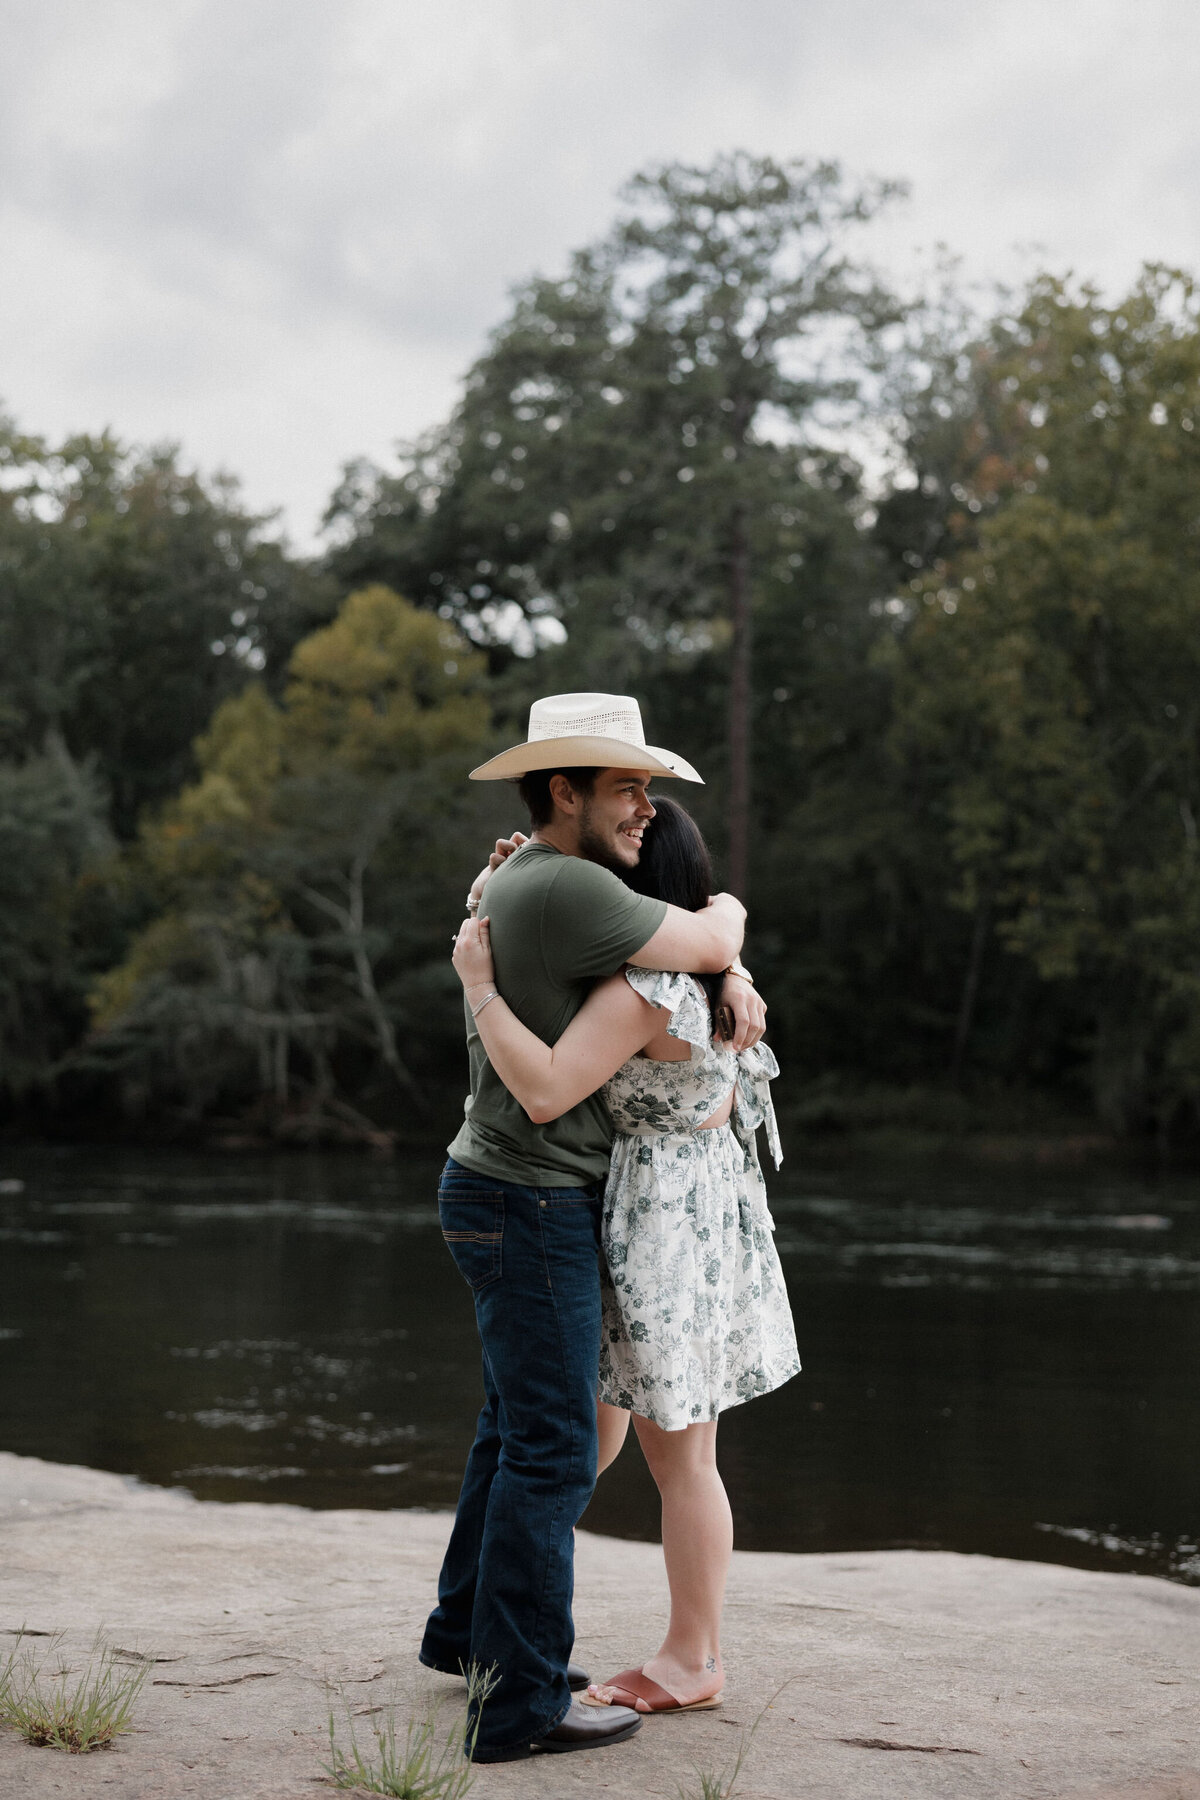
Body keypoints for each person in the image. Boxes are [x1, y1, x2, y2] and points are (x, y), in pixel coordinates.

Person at [419, 693, 766, 1764]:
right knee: (556, 1450)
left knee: (515, 1432)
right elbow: (711, 925)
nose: (644, 808)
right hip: (529, 1195)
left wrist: (727, 965)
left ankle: (468, 1638)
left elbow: (705, 942)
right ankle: (519, 1704)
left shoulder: (524, 875)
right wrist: (727, 948)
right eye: (626, 788)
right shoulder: (571, 885)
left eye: (650, 793)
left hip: (514, 1191)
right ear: (564, 792)